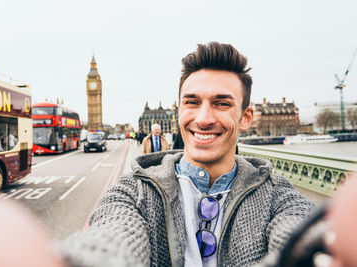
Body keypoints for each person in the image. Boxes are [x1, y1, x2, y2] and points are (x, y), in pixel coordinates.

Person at [57, 42, 314, 266]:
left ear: (246, 118)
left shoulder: (277, 194)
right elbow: (112, 236)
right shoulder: (133, 193)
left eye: (221, 103)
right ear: (179, 112)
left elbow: (301, 235)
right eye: (192, 102)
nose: (203, 119)